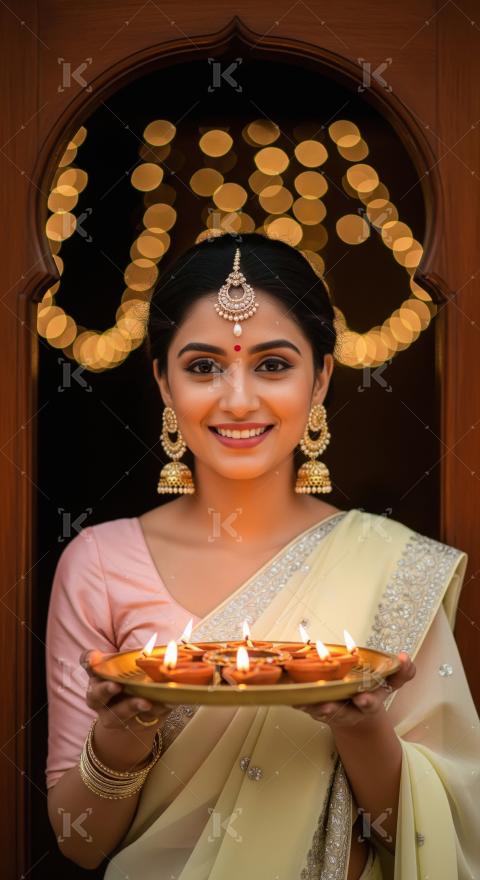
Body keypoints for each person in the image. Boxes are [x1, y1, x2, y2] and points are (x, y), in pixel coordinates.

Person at [45, 232, 480, 879]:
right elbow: (80, 844)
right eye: (203, 366)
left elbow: (434, 832)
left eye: (272, 364)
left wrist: (359, 728)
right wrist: (122, 738)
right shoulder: (99, 564)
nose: (239, 399)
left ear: (321, 377)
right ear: (163, 381)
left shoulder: (392, 566)